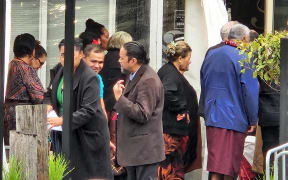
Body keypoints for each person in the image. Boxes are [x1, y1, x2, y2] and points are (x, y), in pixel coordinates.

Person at [46, 38, 113, 179]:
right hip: (66, 134)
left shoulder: (90, 77)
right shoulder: (60, 70)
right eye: (63, 54)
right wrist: (49, 104)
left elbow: (89, 110)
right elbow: (49, 92)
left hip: (88, 137)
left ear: (81, 54)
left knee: (87, 175)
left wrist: (63, 121)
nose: (66, 58)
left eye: (70, 54)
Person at [200, 24, 259, 180]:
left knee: (216, 166)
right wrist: (253, 118)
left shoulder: (211, 54)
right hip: (233, 117)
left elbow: (204, 84)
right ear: (245, 39)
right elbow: (251, 92)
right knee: (230, 167)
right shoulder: (243, 57)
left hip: (213, 116)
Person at [113, 41, 165, 180]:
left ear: (133, 60)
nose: (119, 61)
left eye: (122, 58)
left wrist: (120, 98)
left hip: (144, 151)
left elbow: (143, 113)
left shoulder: (148, 80)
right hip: (135, 150)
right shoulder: (134, 74)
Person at [157, 41, 201, 179]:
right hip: (171, 131)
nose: (190, 62)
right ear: (180, 58)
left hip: (171, 129)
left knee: (171, 166)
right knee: (170, 168)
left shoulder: (169, 71)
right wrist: (182, 109)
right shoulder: (171, 74)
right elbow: (167, 92)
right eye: (188, 58)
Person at [4, 33, 44, 145]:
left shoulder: (10, 64)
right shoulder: (26, 68)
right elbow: (39, 97)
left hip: (7, 116)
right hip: (22, 118)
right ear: (32, 51)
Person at [100, 31, 132, 145]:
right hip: (114, 104)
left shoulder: (106, 56)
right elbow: (119, 83)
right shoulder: (119, 59)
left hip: (105, 101)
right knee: (115, 136)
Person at [82, 44, 108, 120]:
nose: (97, 66)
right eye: (93, 61)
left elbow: (101, 104)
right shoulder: (75, 75)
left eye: (100, 62)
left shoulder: (98, 78)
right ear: (83, 59)